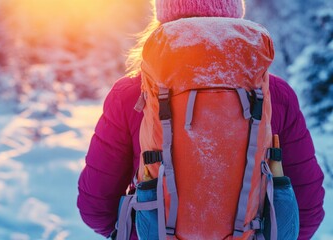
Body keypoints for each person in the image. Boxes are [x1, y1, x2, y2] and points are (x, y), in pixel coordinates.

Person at [77, 0, 325, 239]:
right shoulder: (275, 94)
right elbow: (307, 212)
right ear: (234, 16)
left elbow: (96, 208)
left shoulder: (131, 94)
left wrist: (140, 230)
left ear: (163, 19)